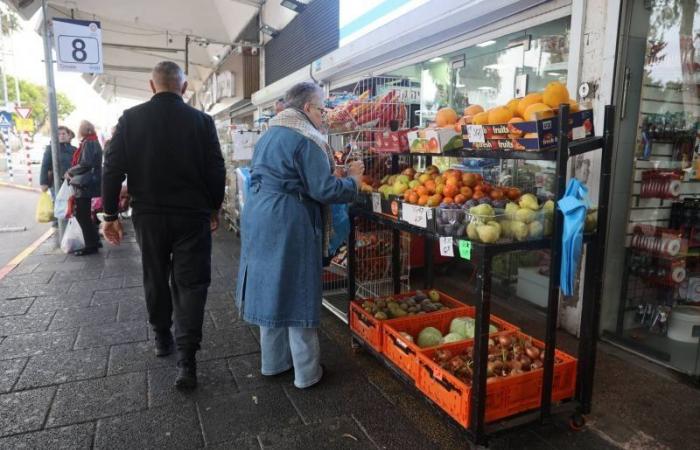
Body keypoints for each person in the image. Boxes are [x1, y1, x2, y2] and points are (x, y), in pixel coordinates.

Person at [101, 61, 225, 390]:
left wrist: (110, 216)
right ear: (183, 88)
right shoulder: (202, 121)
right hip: (192, 215)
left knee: (154, 273)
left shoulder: (131, 119)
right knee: (192, 284)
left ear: (151, 85)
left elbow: (112, 170)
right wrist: (214, 207)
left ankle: (161, 337)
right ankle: (187, 360)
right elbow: (216, 169)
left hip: (149, 215)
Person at [236, 82, 364, 389]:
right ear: (307, 108)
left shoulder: (272, 131)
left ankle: (273, 363)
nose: (324, 116)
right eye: (321, 109)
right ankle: (307, 374)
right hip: (289, 219)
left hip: (260, 215)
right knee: (297, 289)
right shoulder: (306, 137)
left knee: (271, 288)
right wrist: (354, 181)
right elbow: (323, 190)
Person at [66, 120, 103, 256]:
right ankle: (94, 241)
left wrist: (70, 171)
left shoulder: (89, 143)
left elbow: (85, 163)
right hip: (89, 182)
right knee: (85, 214)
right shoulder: (93, 141)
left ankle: (91, 245)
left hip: (85, 183)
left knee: (82, 214)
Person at [39, 125, 76, 196]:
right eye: (59, 134)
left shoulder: (74, 149)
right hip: (56, 183)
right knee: (58, 204)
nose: (61, 136)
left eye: (63, 133)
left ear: (68, 135)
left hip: (72, 182)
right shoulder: (51, 149)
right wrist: (43, 183)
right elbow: (44, 166)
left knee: (71, 205)